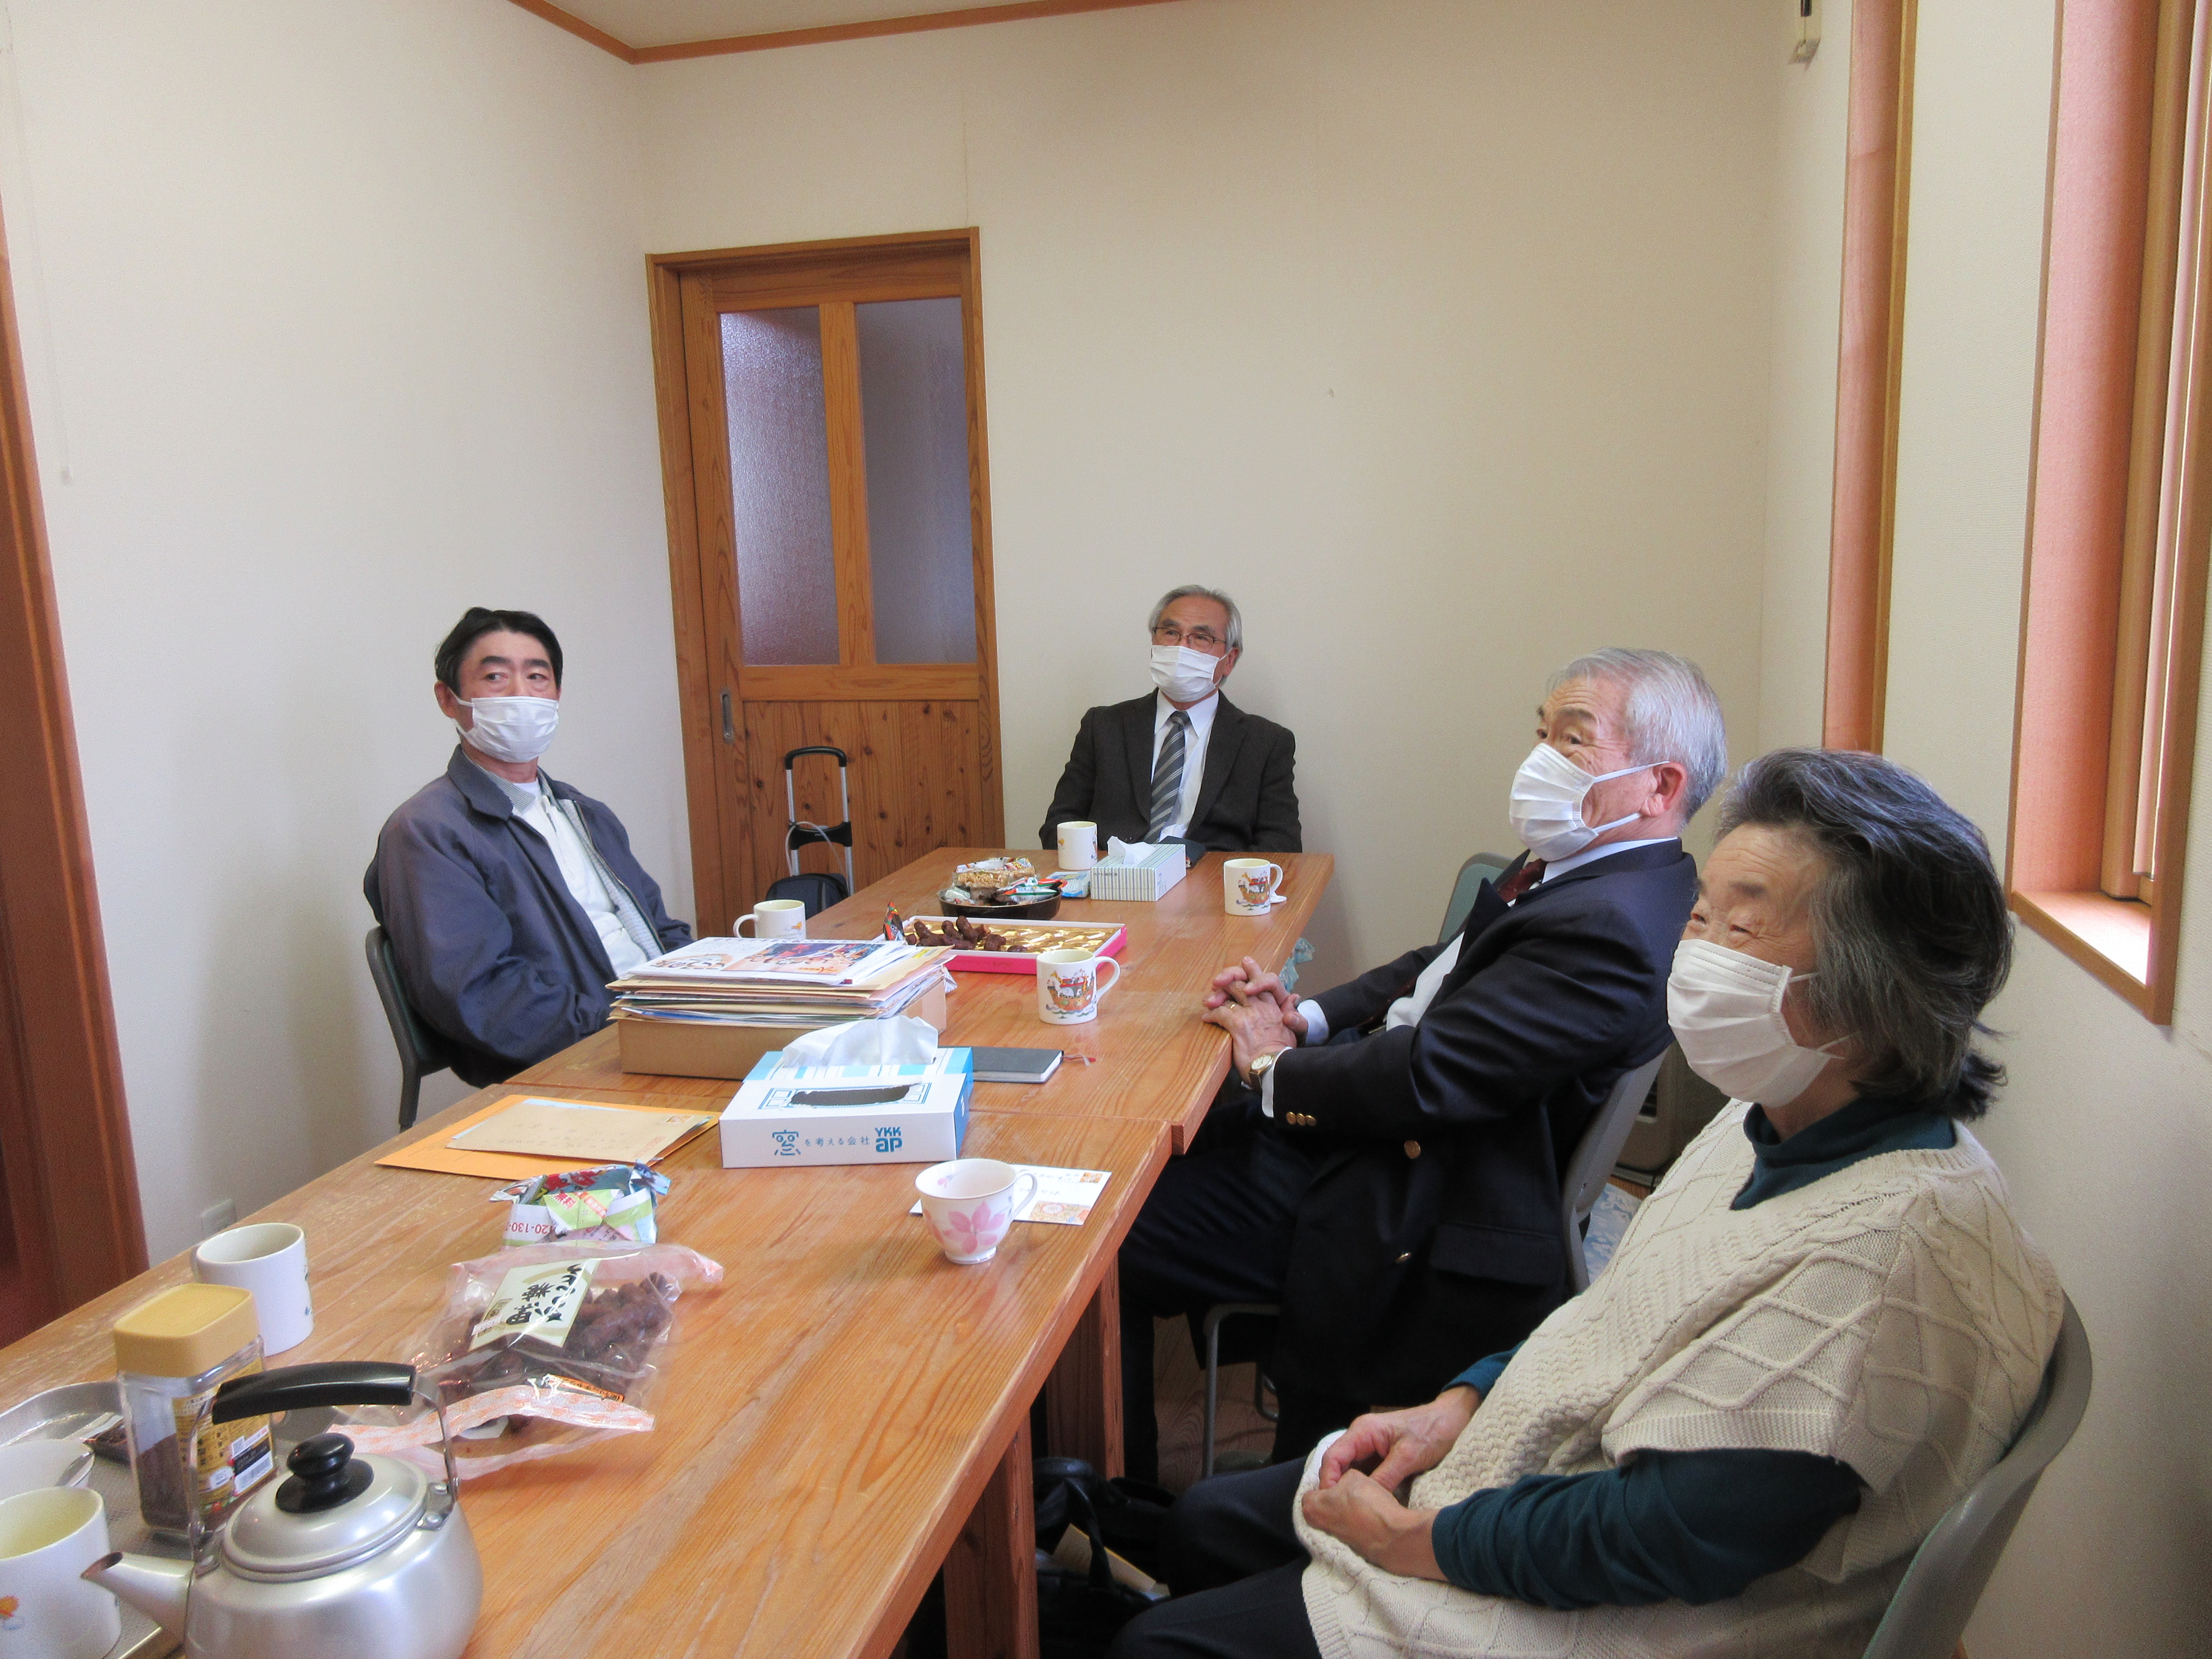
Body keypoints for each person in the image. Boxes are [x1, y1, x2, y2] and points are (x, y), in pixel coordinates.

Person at [1108, 747, 2064, 1659]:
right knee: (1201, 1521)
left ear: (1874, 992)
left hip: (1632, 1606)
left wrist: (1414, 1542)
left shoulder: (1881, 1258)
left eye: (1739, 931)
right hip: (1547, 1454)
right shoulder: (1763, 1122)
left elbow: (1662, 1536)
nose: (1692, 953)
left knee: (1156, 1642)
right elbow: (1621, 1313)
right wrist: (1460, 1401)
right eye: (1699, 916)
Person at [1118, 649, 1726, 1482]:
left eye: (1573, 738)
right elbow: (1437, 964)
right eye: (1541, 732)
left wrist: (1272, 1069)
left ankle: (1112, 1505)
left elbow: (1426, 1077)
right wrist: (1307, 1018)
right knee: (1168, 1143)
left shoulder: (1611, 929)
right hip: (1391, 1129)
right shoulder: (1589, 862)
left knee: (1109, 1235)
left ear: (1660, 786)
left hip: (1418, 1199)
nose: (1540, 757)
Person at [365, 608, 692, 1086]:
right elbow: (484, 995)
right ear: (449, 699)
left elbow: (660, 930)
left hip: (664, 1035)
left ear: (557, 695)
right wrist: (624, 1032)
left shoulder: (586, 813)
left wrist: (714, 996)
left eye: (537, 676)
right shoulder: (428, 831)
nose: (521, 694)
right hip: (577, 1068)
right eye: (496, 677)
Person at [1039, 585, 1300, 863]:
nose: (1181, 647)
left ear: (1230, 660)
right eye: (1171, 632)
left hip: (1210, 883)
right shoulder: (1103, 726)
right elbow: (1060, 825)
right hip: (1110, 878)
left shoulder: (1266, 743)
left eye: (1201, 637)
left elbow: (1282, 845)